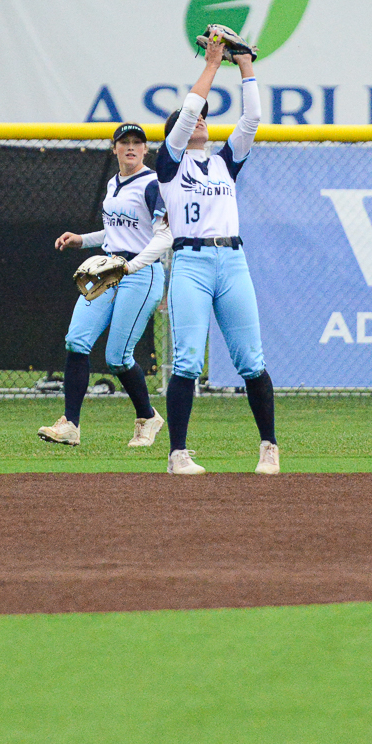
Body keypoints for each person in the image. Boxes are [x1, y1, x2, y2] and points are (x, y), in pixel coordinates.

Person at [155, 31, 278, 475]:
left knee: (251, 360)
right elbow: (190, 109)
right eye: (191, 122)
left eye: (205, 119)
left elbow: (253, 118)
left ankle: (269, 447)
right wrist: (211, 64)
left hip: (232, 262)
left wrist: (244, 64)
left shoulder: (225, 162)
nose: (200, 122)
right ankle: (178, 454)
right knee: (187, 359)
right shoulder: (169, 164)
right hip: (191, 263)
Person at [38, 122, 172, 447]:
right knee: (76, 341)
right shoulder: (114, 183)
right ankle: (70, 424)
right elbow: (114, 232)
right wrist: (81, 240)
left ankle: (148, 417)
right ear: (114, 149)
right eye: (124, 142)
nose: (130, 147)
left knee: (117, 358)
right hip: (109, 269)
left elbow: (165, 236)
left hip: (142, 273)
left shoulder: (152, 184)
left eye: (137, 142)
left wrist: (133, 265)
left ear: (145, 150)